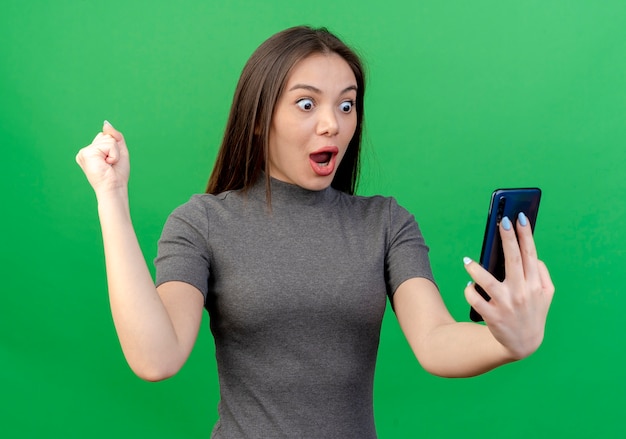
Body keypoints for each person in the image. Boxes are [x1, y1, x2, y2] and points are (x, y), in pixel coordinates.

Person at [75, 26, 554, 438]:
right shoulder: (202, 222)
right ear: (260, 119)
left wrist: (510, 340)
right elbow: (156, 358)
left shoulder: (386, 223)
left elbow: (435, 342)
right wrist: (112, 197)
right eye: (307, 104)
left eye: (347, 106)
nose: (333, 125)